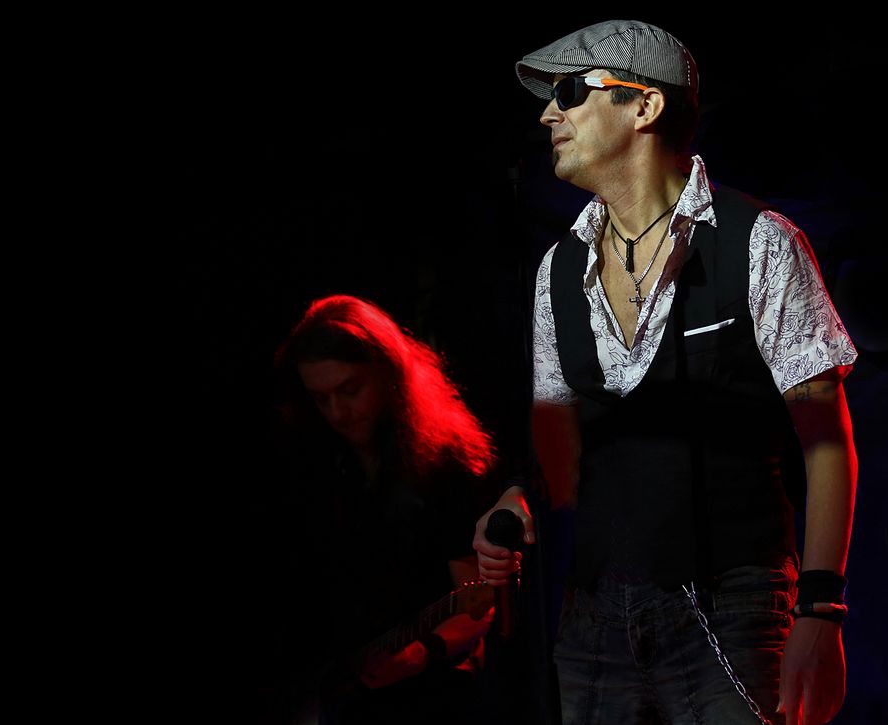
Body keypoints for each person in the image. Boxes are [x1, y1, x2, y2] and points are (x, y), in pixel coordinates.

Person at [473, 20, 858, 725]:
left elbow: (826, 441)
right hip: (594, 620)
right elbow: (560, 450)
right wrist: (516, 498)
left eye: (570, 92)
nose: (548, 114)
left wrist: (821, 611)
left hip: (733, 606)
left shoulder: (758, 243)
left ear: (644, 105)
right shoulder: (557, 270)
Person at [268, 294, 500, 725]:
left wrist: (422, 652)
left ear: (387, 372)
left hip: (431, 700)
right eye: (320, 398)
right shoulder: (315, 462)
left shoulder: (445, 464)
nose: (337, 412)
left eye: (349, 390)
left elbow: (477, 604)